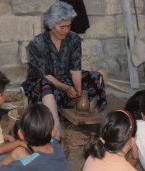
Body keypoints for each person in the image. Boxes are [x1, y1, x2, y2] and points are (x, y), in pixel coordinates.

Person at [21, 1, 108, 140]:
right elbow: (45, 74)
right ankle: (55, 133)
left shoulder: (73, 39)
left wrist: (78, 90)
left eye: (69, 26)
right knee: (46, 85)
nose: (66, 30)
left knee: (96, 77)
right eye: (62, 27)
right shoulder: (37, 43)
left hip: (65, 77)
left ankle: (91, 121)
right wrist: (66, 87)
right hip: (41, 80)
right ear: (51, 25)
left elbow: (75, 69)